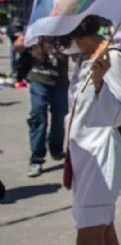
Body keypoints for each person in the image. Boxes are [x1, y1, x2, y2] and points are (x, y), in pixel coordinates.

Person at [56, 16, 121, 245]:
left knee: (89, 231)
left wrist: (101, 84)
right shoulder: (84, 59)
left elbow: (119, 115)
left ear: (79, 36)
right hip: (83, 155)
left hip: (103, 156)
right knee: (103, 227)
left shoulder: (114, 58)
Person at [13, 34, 69, 177]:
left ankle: (56, 149)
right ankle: (36, 159)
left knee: (59, 119)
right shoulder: (35, 29)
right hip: (39, 80)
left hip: (60, 82)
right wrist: (29, 39)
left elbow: (76, 53)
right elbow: (17, 46)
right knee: (38, 119)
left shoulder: (65, 30)